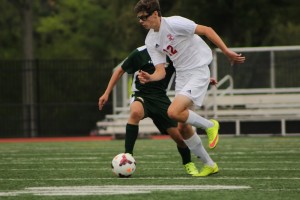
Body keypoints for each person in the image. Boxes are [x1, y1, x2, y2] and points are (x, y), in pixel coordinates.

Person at [134, 0, 245, 176]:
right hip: (182, 75)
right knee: (183, 128)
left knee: (173, 112)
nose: (141, 21)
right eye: (139, 18)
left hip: (198, 70)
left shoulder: (175, 23)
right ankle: (209, 164)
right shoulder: (150, 40)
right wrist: (149, 78)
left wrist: (226, 51)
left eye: (144, 17)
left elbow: (207, 30)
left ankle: (210, 125)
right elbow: (160, 72)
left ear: (155, 14)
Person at [99, 46, 218, 176]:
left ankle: (188, 163)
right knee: (135, 112)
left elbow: (185, 69)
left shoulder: (171, 54)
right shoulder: (140, 53)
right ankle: (128, 155)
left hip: (161, 99)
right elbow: (119, 71)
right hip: (141, 95)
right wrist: (106, 93)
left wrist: (205, 79)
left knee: (179, 137)